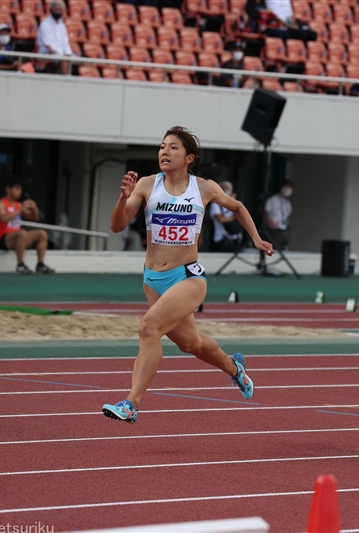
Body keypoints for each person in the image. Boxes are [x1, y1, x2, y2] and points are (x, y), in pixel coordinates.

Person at [102, 126, 274, 424]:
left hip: (188, 278)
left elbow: (237, 206)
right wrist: (123, 198)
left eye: (172, 148)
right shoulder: (146, 185)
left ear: (188, 157)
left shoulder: (203, 187)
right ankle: (235, 368)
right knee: (190, 343)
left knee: (148, 329)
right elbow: (117, 226)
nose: (164, 152)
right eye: (161, 147)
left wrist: (256, 239)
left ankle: (131, 404)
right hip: (153, 279)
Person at [0, 175, 55, 275]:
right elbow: (4, 218)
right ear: (8, 189)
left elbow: (34, 218)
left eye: (20, 189)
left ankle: (40, 264)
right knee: (22, 233)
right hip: (3, 238)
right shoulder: (1, 204)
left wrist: (34, 208)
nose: (19, 192)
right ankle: (20, 265)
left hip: (18, 237)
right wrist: (20, 210)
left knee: (42, 233)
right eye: (17, 188)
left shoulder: (18, 205)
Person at [37, 1, 73, 75]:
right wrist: (63, 55)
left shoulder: (62, 25)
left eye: (60, 10)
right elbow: (48, 44)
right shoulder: (45, 24)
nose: (58, 12)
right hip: (47, 53)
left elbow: (65, 43)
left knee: (85, 61)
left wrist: (68, 53)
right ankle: (64, 82)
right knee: (64, 60)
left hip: (62, 53)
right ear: (51, 10)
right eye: (56, 9)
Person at [210, 181, 245, 253]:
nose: (226, 191)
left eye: (227, 189)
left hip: (237, 240)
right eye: (223, 189)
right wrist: (234, 218)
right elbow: (221, 219)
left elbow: (243, 218)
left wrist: (233, 200)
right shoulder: (215, 204)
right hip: (222, 240)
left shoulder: (238, 203)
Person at [263, 180, 293, 251]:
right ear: (281, 187)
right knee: (274, 250)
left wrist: (286, 226)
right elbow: (263, 210)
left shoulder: (288, 202)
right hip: (273, 229)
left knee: (281, 250)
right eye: (286, 186)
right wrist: (267, 221)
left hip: (282, 229)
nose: (288, 189)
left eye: (290, 187)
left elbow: (289, 214)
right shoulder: (273, 199)